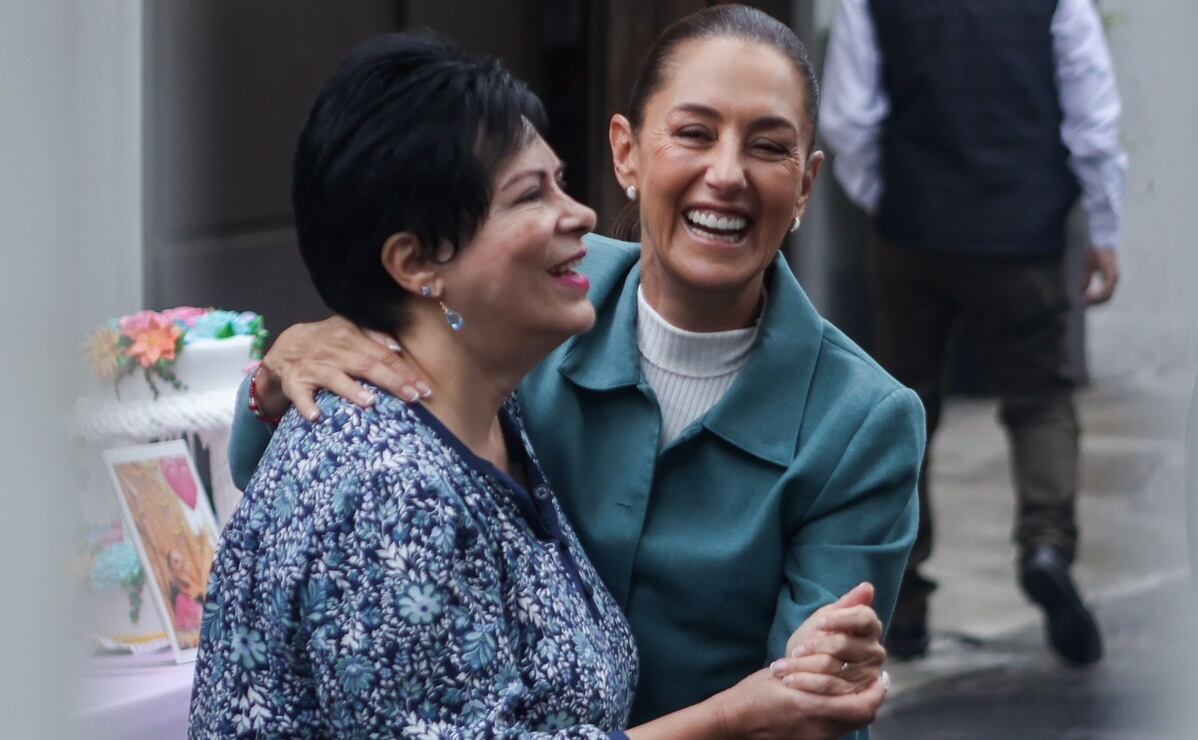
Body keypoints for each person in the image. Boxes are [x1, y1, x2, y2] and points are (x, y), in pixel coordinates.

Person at [230, 6, 924, 737]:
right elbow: (310, 466)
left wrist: (815, 678)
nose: (726, 174)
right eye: (693, 133)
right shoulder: (540, 293)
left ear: (807, 184)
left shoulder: (861, 420)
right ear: (626, 153)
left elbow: (811, 702)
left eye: (768, 147)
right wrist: (289, 366)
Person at [820, 0, 1126, 665]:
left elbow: (848, 119)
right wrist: (1102, 229)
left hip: (912, 233)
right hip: (1025, 232)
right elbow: (1091, 119)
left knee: (902, 411)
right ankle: (1044, 545)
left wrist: (891, 197)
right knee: (1040, 399)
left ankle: (900, 609)